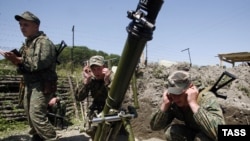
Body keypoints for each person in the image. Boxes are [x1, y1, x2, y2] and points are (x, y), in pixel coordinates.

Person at [2, 11, 58, 141]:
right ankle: (37, 138)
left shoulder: (44, 42)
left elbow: (41, 63)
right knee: (30, 114)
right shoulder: (28, 43)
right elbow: (25, 67)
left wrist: (19, 60)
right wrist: (15, 61)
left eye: (26, 24)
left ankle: (51, 138)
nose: (22, 27)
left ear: (36, 26)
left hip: (42, 84)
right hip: (30, 83)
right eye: (20, 25)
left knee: (37, 115)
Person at [150, 70, 225, 141]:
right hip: (193, 134)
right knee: (172, 132)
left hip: (209, 137)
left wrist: (193, 104)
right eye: (173, 94)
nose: (175, 99)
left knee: (201, 138)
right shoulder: (173, 102)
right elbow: (155, 127)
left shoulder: (206, 98)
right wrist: (165, 104)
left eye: (179, 93)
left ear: (190, 88)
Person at [75, 55, 114, 137]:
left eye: (98, 68)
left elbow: (115, 97)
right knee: (91, 130)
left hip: (111, 108)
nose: (96, 72)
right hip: (97, 108)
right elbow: (79, 98)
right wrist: (86, 82)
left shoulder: (112, 77)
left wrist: (107, 82)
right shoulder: (91, 79)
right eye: (93, 69)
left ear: (104, 67)